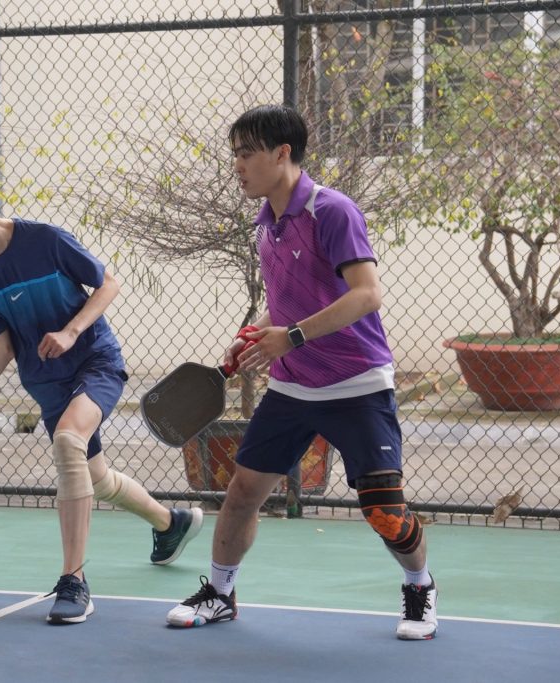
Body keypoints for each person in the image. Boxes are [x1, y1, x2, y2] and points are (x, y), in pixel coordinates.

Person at [165, 105, 437, 640]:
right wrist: (256, 336)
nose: (238, 165)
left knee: (384, 511)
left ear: (282, 153)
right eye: (235, 154)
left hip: (356, 383)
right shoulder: (266, 224)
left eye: (247, 154)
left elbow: (366, 294)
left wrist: (289, 337)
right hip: (292, 388)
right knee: (243, 492)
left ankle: (420, 586)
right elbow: (289, 302)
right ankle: (220, 594)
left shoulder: (332, 211)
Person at [0, 157, 203, 625]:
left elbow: (108, 283)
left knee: (68, 440)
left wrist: (72, 331)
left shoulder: (45, 240)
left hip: (94, 361)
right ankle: (170, 523)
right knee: (96, 479)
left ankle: (73, 581)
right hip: (46, 381)